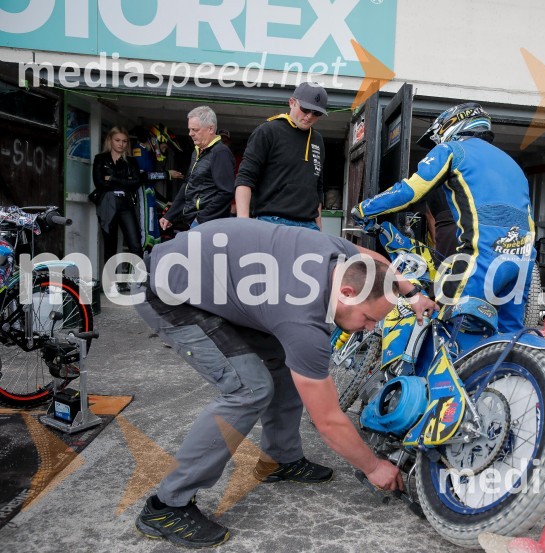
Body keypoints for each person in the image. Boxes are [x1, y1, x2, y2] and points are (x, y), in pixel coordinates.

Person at [133, 218, 436, 548]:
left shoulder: (337, 256)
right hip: (166, 292)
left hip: (210, 277)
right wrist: (374, 466)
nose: (369, 328)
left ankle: (279, 459)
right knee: (249, 388)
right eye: (369, 318)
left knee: (285, 360)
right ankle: (167, 506)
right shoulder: (302, 317)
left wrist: (413, 292)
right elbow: (329, 421)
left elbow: (374, 259)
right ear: (348, 293)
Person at [353, 102, 536, 333]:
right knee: (509, 338)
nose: (438, 141)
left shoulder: (452, 150)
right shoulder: (512, 163)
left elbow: (410, 191)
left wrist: (365, 209)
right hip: (523, 257)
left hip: (483, 257)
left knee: (446, 326)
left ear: (451, 125)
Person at [235, 82, 327, 230]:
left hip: (309, 226)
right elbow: (245, 178)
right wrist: (243, 224)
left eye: (317, 113)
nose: (309, 116)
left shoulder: (317, 139)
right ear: (292, 102)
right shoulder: (267, 131)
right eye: (305, 109)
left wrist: (319, 227)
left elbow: (317, 187)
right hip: (272, 222)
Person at [161, 106, 235, 230]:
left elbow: (226, 192)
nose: (190, 134)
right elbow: (188, 185)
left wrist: (201, 219)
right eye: (190, 129)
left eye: (195, 130)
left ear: (210, 129)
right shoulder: (197, 151)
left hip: (208, 225)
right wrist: (170, 215)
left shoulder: (221, 152)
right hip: (193, 221)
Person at [91, 126, 143, 291]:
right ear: (110, 140)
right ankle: (111, 283)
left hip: (126, 204)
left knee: (135, 243)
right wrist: (123, 180)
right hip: (108, 203)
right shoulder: (101, 158)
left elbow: (135, 183)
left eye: (124, 141)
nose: (121, 144)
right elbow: (99, 182)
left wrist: (112, 178)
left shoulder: (131, 161)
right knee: (110, 244)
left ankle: (136, 280)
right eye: (117, 140)